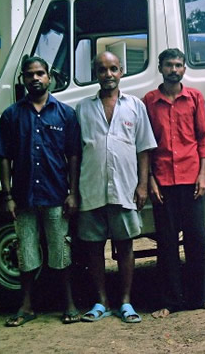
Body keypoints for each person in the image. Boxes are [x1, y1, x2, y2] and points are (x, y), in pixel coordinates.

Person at [0, 56, 81, 326]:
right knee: (26, 253)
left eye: (40, 73)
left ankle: (69, 304)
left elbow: (73, 156)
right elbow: (4, 158)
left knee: (60, 252)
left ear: (49, 77)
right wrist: (8, 197)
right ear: (24, 80)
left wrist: (72, 192)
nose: (35, 78)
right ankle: (26, 306)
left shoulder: (65, 113)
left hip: (56, 196)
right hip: (23, 198)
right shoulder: (12, 115)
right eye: (30, 74)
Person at [76, 51, 157, 322]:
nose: (108, 74)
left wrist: (142, 185)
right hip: (92, 189)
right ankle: (101, 302)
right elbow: (75, 153)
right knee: (94, 249)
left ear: (121, 71)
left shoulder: (134, 106)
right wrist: (73, 191)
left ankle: (125, 302)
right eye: (102, 69)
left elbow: (144, 149)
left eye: (113, 69)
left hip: (124, 189)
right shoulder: (83, 108)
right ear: (95, 73)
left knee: (125, 246)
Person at [143, 48, 205, 317]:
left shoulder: (195, 98)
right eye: (168, 65)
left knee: (197, 241)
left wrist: (203, 175)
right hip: (162, 183)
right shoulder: (149, 101)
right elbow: (146, 144)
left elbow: (203, 138)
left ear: (184, 69)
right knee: (166, 244)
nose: (173, 69)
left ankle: (199, 297)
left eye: (178, 65)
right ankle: (170, 301)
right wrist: (150, 178)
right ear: (160, 68)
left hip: (192, 180)